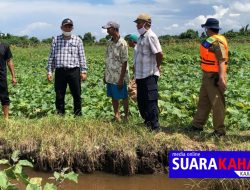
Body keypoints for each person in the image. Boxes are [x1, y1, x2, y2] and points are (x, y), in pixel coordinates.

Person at [191, 18, 229, 136]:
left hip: (215, 77)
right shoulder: (210, 40)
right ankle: (197, 125)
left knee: (217, 104)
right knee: (203, 101)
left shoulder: (217, 42)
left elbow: (222, 60)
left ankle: (219, 131)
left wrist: (222, 78)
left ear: (208, 28)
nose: (205, 31)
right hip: (207, 76)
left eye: (206, 28)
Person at [47, 18, 87, 116]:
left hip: (74, 71)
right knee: (59, 94)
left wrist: (84, 71)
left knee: (77, 94)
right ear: (61, 27)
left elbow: (82, 56)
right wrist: (49, 71)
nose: (67, 28)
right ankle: (60, 114)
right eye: (66, 26)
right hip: (60, 71)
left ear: (72, 28)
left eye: (69, 26)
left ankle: (78, 115)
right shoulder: (56, 40)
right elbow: (51, 56)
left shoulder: (77, 40)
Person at [133, 13, 163, 131]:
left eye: (139, 23)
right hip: (140, 75)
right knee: (142, 100)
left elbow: (159, 54)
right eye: (137, 23)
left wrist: (157, 66)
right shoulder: (141, 37)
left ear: (147, 24)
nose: (137, 26)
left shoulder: (151, 36)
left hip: (149, 74)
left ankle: (155, 126)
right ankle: (147, 122)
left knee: (151, 100)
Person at [102, 21, 129, 122]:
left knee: (124, 96)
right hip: (110, 74)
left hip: (119, 76)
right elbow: (107, 59)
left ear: (115, 29)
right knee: (113, 96)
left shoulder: (123, 43)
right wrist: (105, 75)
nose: (107, 30)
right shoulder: (109, 42)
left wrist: (121, 79)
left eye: (109, 28)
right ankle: (116, 115)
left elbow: (124, 62)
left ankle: (126, 116)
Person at [0, 43, 16, 119]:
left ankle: (6, 119)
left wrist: (13, 76)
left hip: (1, 76)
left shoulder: (4, 46)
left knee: (4, 97)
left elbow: (9, 62)